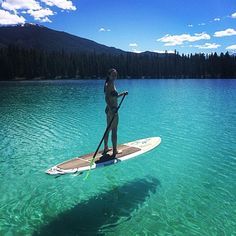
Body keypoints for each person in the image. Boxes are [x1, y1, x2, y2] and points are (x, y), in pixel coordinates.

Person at [103, 68, 128, 156]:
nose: (114, 77)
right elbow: (106, 98)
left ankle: (106, 148)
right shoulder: (109, 84)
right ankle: (114, 151)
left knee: (108, 128)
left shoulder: (110, 83)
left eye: (116, 75)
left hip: (109, 110)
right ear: (109, 75)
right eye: (113, 75)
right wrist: (112, 109)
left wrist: (122, 94)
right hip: (112, 110)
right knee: (114, 130)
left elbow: (114, 97)